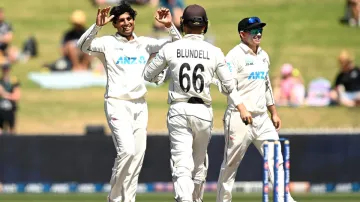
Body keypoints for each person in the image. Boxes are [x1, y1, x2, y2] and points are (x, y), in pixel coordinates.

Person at [144, 4, 251, 202]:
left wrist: (162, 73)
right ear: (205, 26)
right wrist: (242, 107)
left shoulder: (171, 48)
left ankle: (185, 200)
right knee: (199, 163)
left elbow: (148, 74)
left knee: (181, 163)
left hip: (178, 109)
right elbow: (229, 86)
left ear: (183, 24)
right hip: (203, 112)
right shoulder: (215, 51)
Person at [77, 2, 181, 202]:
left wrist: (170, 26)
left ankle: (129, 199)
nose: (126, 23)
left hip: (140, 105)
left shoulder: (144, 43)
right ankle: (114, 198)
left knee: (137, 158)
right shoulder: (107, 43)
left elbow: (177, 46)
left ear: (133, 20)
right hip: (117, 103)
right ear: (115, 24)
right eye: (121, 20)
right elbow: (82, 46)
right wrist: (96, 26)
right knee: (127, 151)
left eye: (129, 19)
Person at [216, 17, 296, 202]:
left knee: (277, 160)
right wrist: (242, 108)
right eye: (253, 30)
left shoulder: (264, 55)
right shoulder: (234, 56)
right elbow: (226, 87)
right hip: (238, 117)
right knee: (230, 164)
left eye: (260, 30)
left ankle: (284, 198)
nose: (258, 33)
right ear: (242, 34)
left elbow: (266, 85)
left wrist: (273, 112)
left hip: (262, 119)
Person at [0, 63, 21, 135]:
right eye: (4, 69)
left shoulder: (13, 81)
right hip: (0, 110)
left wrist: (4, 94)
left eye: (7, 69)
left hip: (10, 110)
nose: (5, 71)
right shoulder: (0, 81)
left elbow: (17, 96)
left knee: (12, 132)